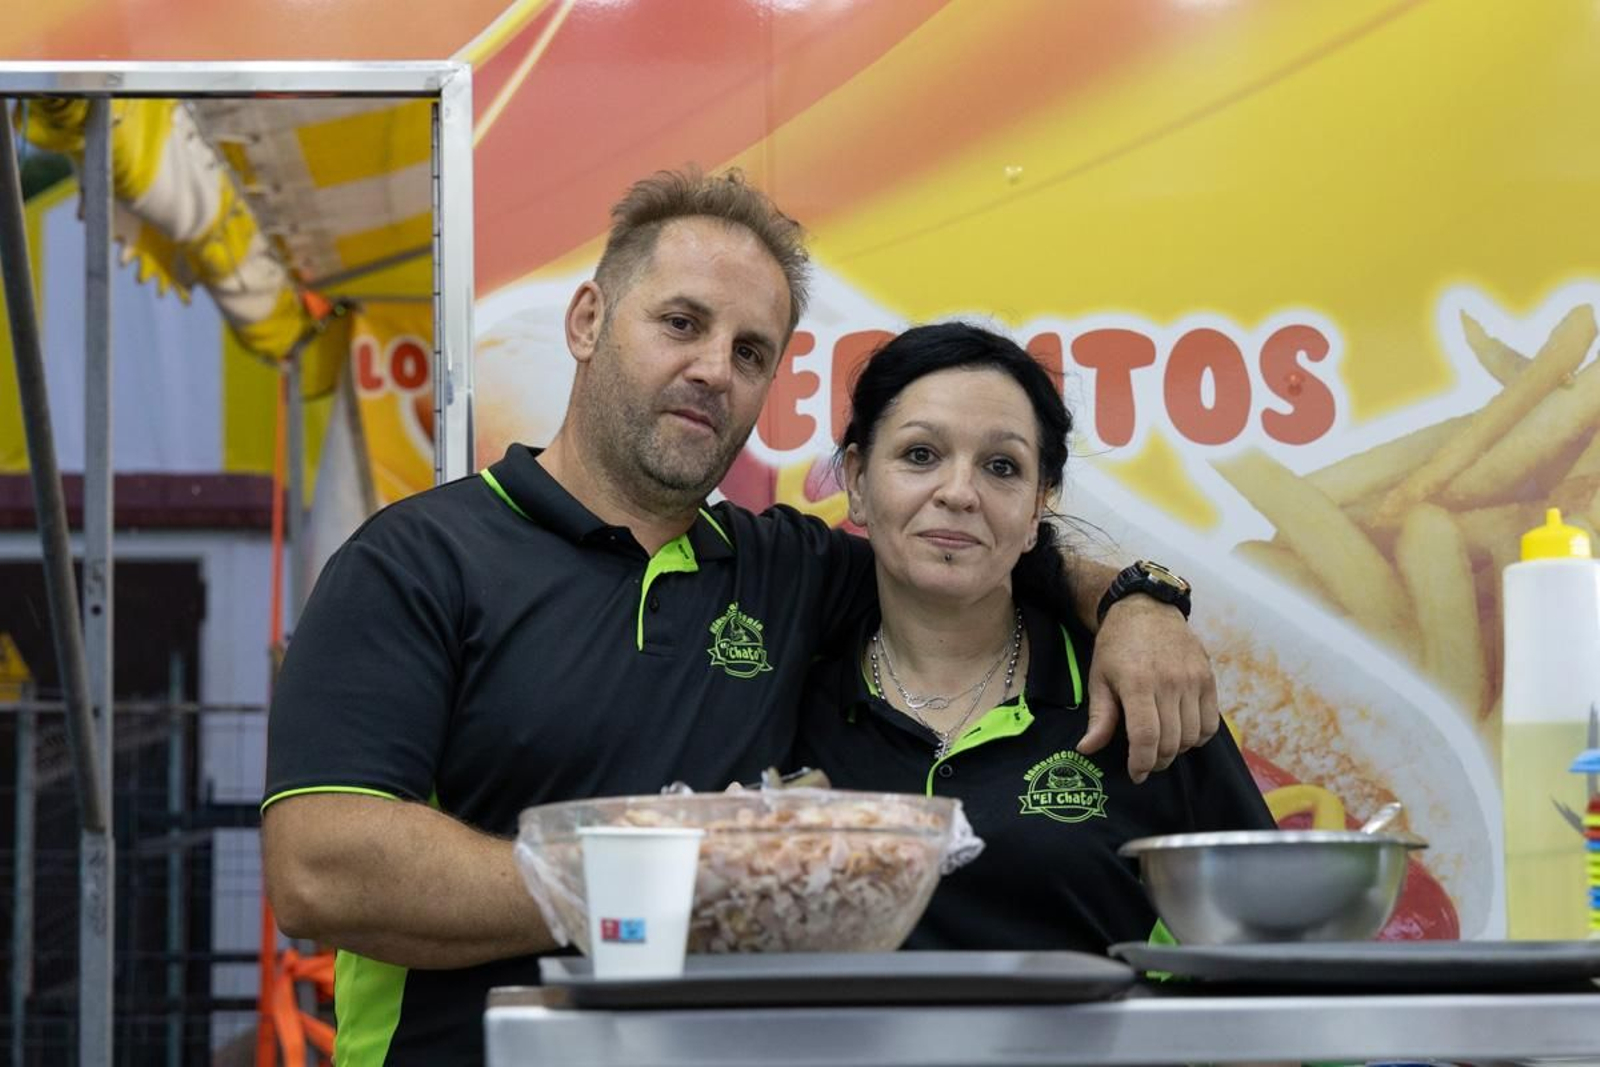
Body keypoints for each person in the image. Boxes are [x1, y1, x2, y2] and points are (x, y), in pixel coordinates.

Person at [261, 169, 1220, 1065]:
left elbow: (970, 552)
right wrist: (660, 880)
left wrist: (1139, 601)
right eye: (681, 322)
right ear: (589, 319)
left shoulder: (785, 567)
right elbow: (323, 869)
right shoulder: (417, 559)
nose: (714, 369)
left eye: (750, 351)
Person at [794, 322, 1276, 952]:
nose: (959, 492)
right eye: (920, 455)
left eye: (1002, 467)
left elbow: (1273, 946)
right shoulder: (783, 690)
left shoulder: (1140, 688)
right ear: (856, 480)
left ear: (1037, 507)